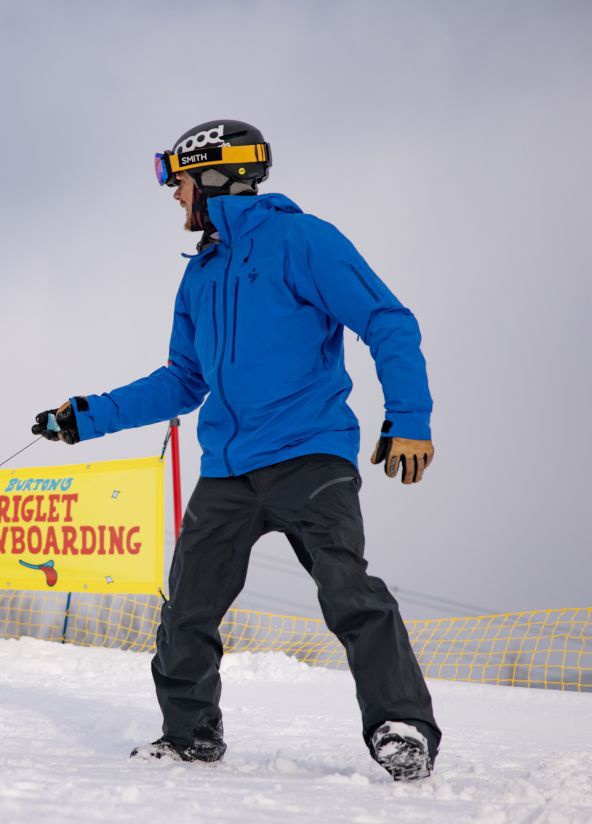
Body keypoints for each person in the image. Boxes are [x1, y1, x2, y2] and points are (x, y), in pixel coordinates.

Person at [31, 120, 441, 781]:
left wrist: (410, 417)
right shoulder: (201, 276)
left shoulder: (303, 240)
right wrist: (86, 416)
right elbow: (183, 380)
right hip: (227, 469)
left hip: (309, 454)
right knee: (187, 607)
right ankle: (190, 735)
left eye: (181, 181)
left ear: (216, 177)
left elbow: (386, 320)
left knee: (348, 591)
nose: (174, 197)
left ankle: (401, 726)